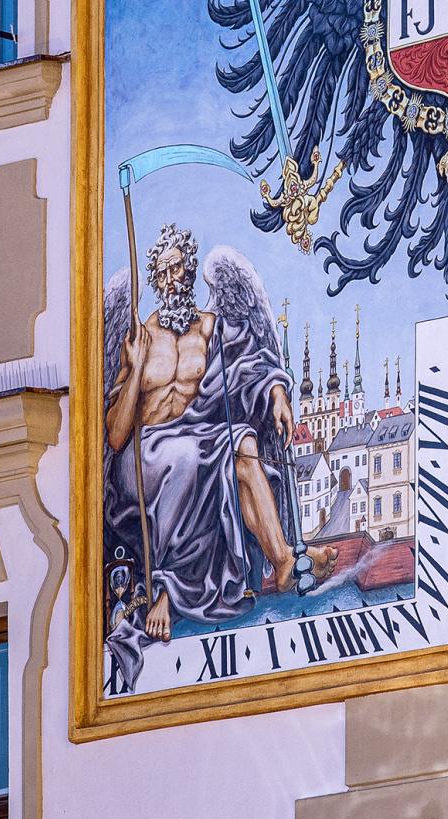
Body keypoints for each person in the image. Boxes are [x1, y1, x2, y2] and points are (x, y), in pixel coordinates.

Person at [104, 226, 335, 646]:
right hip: (143, 456)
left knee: (243, 442)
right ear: (154, 280)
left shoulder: (211, 329)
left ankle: (283, 559)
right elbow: (117, 436)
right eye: (163, 272)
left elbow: (252, 364)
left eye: (177, 268)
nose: (171, 279)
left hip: (196, 437)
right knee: (191, 458)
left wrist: (277, 393)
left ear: (190, 269)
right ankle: (167, 591)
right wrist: (135, 370)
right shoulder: (140, 337)